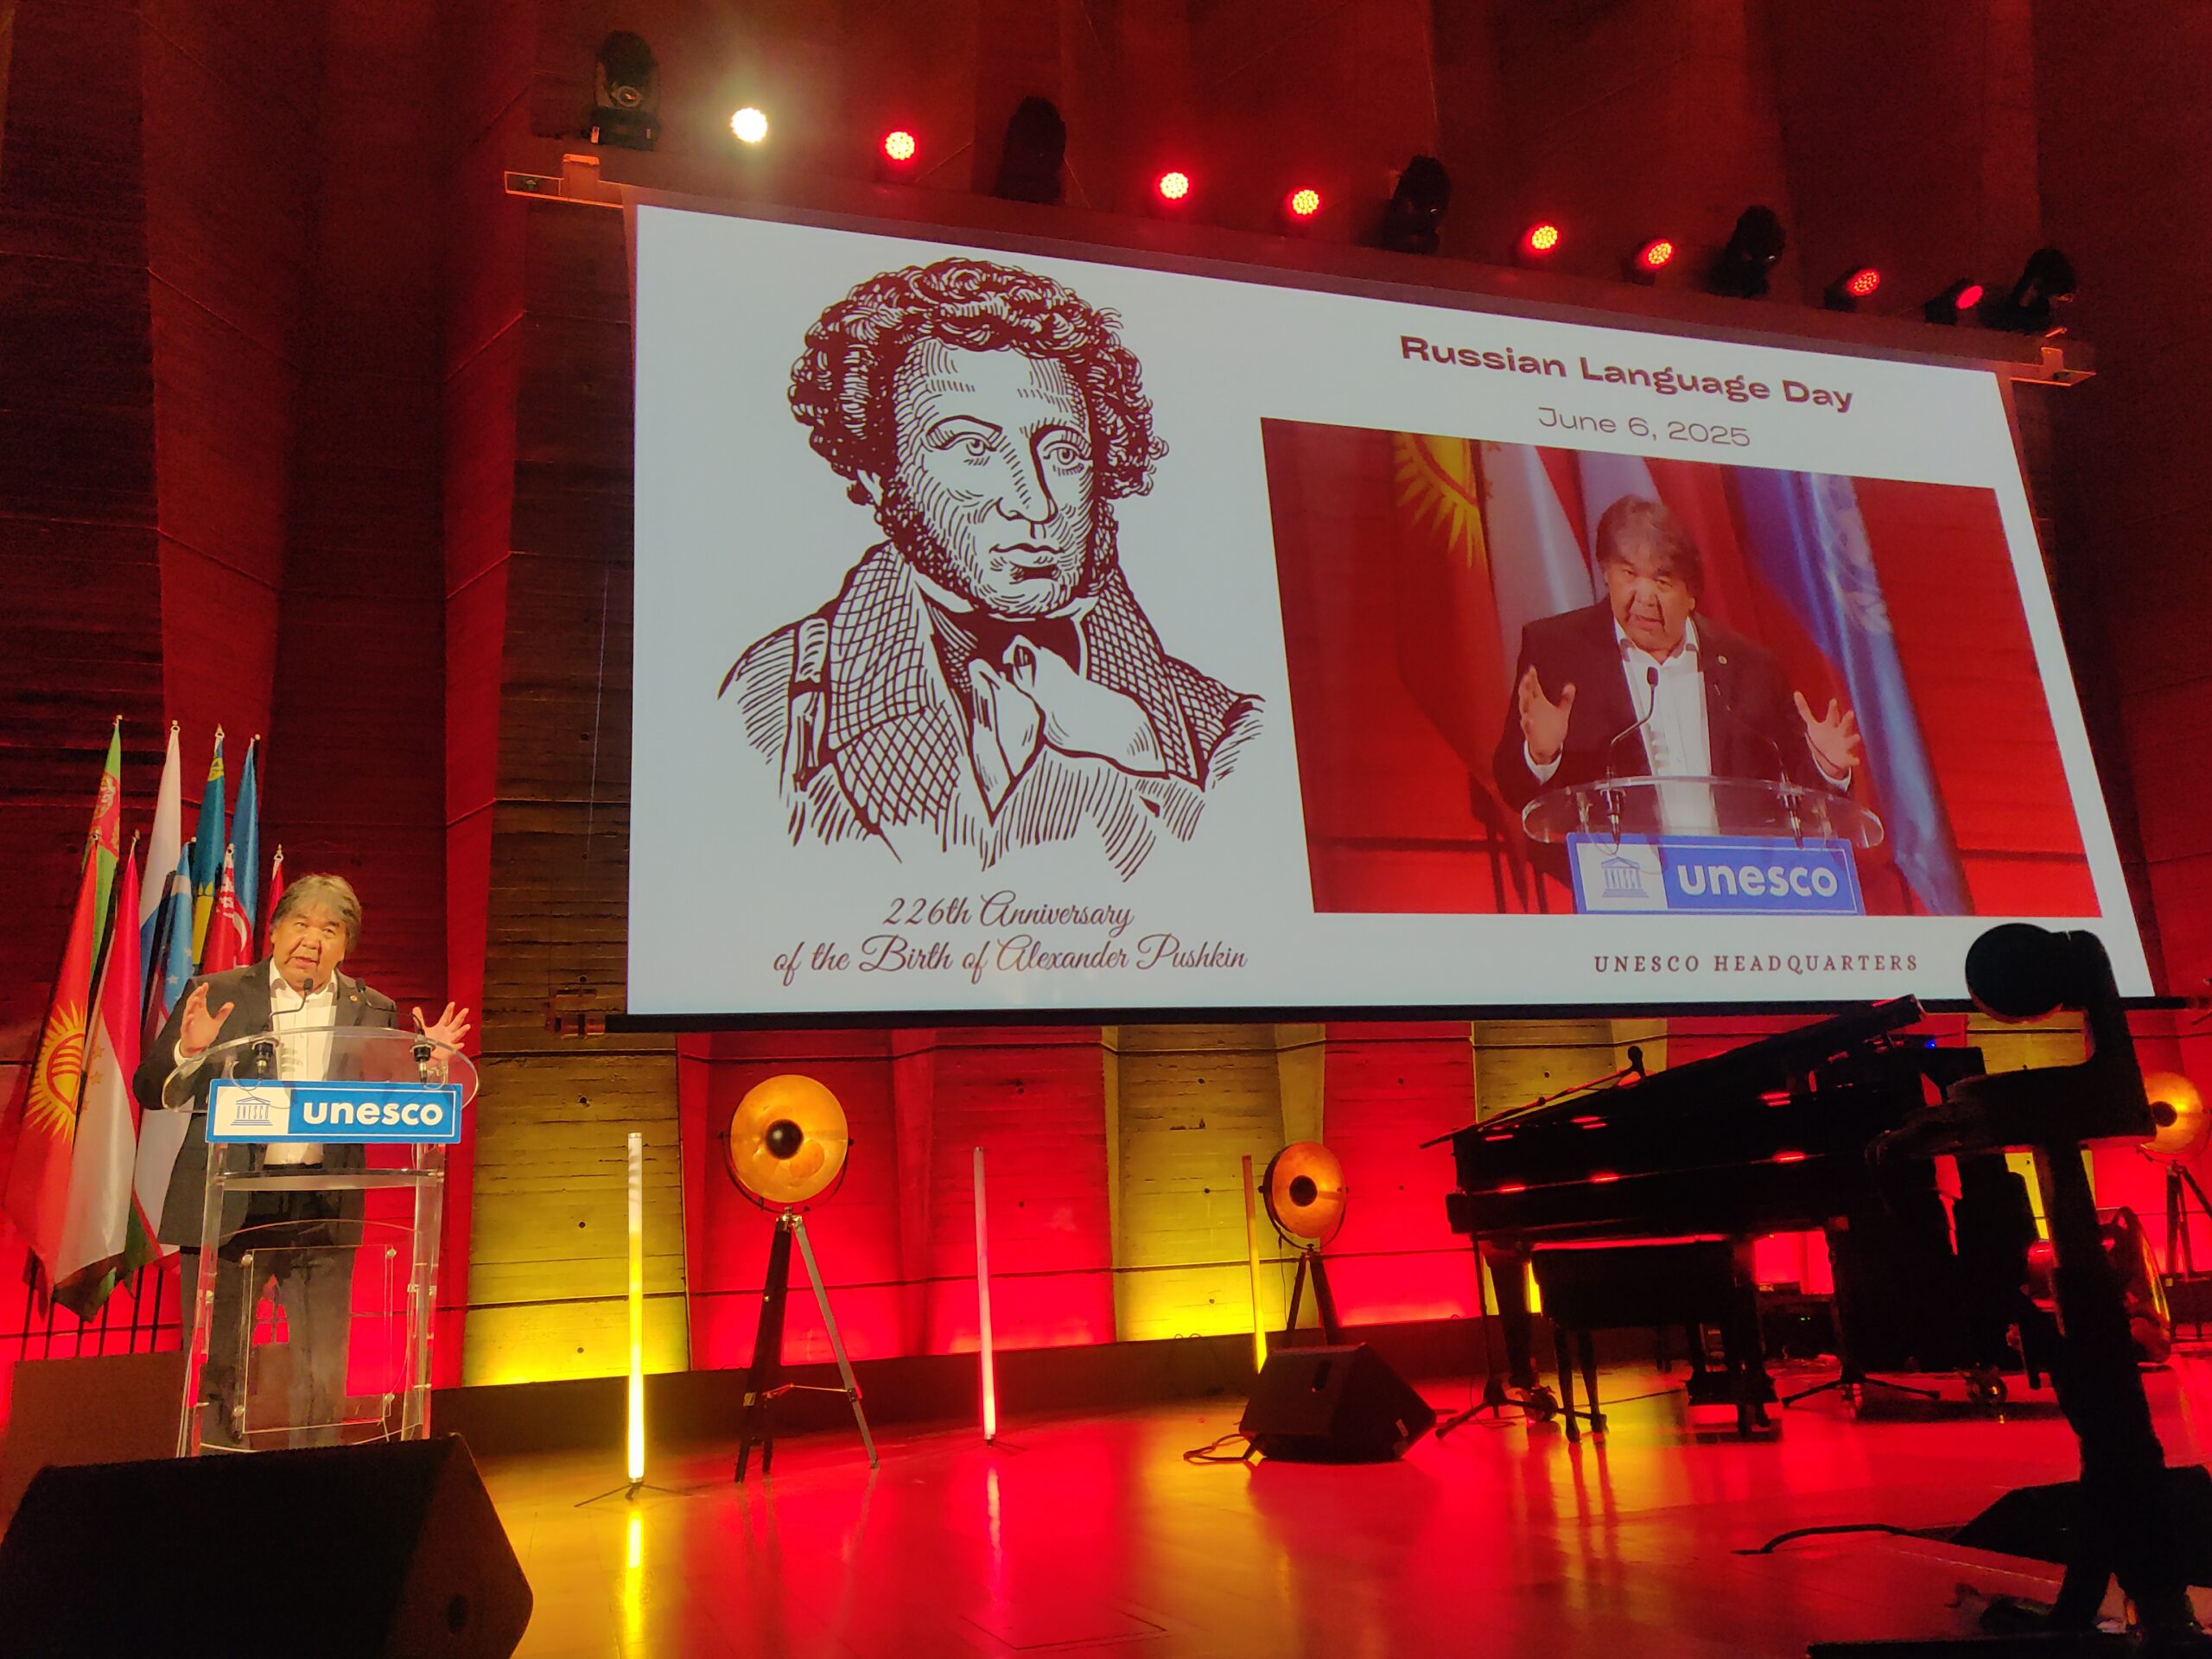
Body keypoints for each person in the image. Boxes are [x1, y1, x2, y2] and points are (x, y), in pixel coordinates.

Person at [723, 257, 1261, 880]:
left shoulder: (1222, 728)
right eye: (973, 448)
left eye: (1062, 453)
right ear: (878, 475)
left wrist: (1144, 768)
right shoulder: (777, 701)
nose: (1034, 502)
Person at [133, 874, 470, 1449]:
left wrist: (427, 1068)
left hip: (323, 1205)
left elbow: (391, 1100)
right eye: (300, 923)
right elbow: (150, 1088)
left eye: (329, 929)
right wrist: (190, 1050)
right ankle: (215, 1475)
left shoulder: (373, 1009)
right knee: (219, 1363)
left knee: (321, 1368)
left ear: (345, 947)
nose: (311, 940)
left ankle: (316, 1480)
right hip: (229, 1202)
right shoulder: (218, 993)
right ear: (273, 930)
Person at [1492, 494, 1863, 838]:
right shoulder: (1558, 651)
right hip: (1615, 873)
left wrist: (1827, 769)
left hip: (1734, 875)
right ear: (1606, 572)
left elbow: (1795, 789)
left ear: (1691, 596)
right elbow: (1513, 789)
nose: (1643, 597)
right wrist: (1540, 757)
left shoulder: (1750, 667)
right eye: (1628, 574)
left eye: (1662, 581)